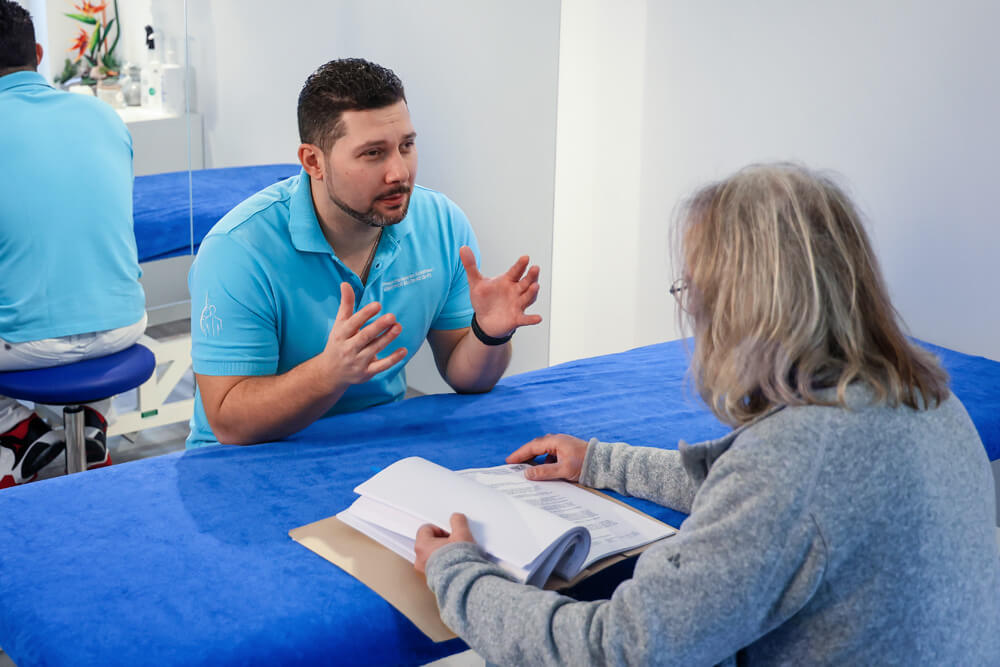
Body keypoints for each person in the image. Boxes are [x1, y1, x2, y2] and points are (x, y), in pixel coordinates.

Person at [414, 164, 1000, 665]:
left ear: (740, 307)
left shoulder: (794, 464)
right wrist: (599, 462)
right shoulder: (922, 397)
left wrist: (458, 575)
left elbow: (614, 650)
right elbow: (765, 493)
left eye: (690, 289)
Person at [187, 58, 541, 447]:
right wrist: (328, 373)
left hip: (377, 442)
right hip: (250, 459)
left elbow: (465, 375)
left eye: (406, 146)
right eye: (373, 153)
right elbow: (229, 421)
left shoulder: (441, 223)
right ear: (313, 161)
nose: (399, 173)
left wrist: (489, 334)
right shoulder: (239, 250)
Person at [0, 0, 147, 488]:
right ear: (39, 53)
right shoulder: (103, 117)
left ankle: (14, 434)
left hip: (26, 345)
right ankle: (90, 427)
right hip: (125, 324)